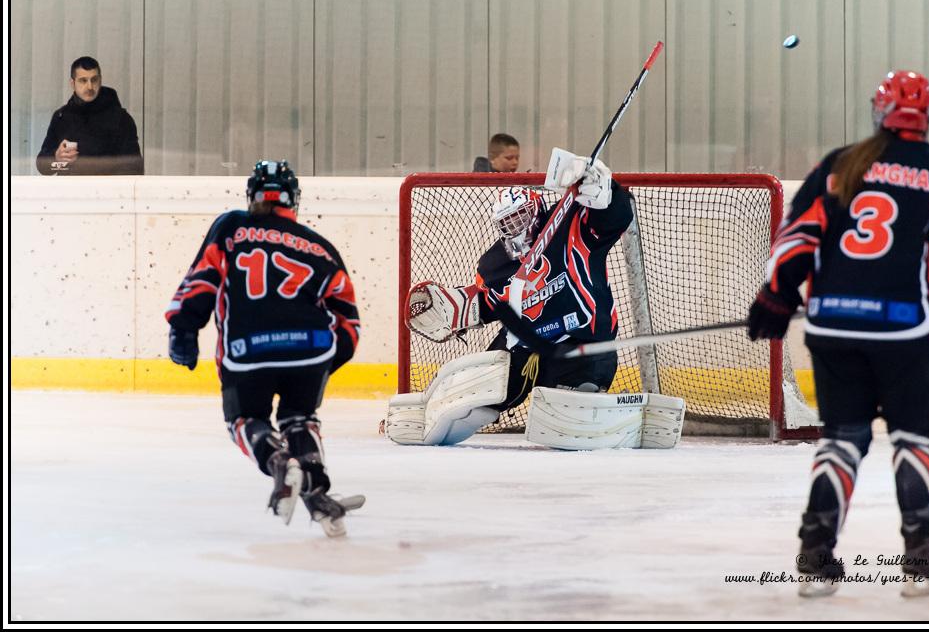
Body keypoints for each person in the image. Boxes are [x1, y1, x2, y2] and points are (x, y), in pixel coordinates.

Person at [747, 70, 929, 597]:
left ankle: (816, 557)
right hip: (909, 331)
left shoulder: (840, 164)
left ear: (877, 111)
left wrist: (776, 295)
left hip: (832, 327)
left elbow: (796, 240)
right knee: (914, 438)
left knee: (842, 439)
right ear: (926, 117)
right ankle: (918, 556)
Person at [388, 149, 685, 449]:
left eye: (520, 218)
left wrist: (606, 192)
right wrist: (463, 307)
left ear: (537, 211)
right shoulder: (494, 264)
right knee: (479, 394)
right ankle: (430, 412)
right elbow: (494, 303)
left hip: (581, 345)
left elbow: (617, 218)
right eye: (507, 223)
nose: (515, 229)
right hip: (524, 346)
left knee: (565, 407)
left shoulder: (572, 225)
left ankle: (621, 416)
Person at [165, 160, 364, 537]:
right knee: (299, 417)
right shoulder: (320, 247)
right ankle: (316, 489)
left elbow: (202, 280)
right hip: (311, 348)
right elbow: (348, 321)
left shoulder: (232, 227)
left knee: (243, 420)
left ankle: (277, 460)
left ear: (252, 196)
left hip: (248, 348)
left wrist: (184, 329)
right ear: (294, 200)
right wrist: (325, 361)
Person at [36, 56, 144, 175]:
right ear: (72, 83)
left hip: (107, 191)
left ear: (100, 80)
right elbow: (42, 166)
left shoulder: (121, 119)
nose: (90, 86)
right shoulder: (61, 117)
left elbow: (134, 168)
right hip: (70, 191)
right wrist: (56, 158)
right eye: (83, 80)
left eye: (94, 80)